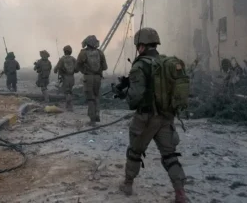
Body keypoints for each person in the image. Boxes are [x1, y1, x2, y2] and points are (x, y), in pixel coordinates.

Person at [114, 27, 187, 203]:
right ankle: (180, 193)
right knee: (170, 155)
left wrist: (125, 94)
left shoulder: (140, 66)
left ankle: (128, 184)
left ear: (141, 46)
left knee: (134, 151)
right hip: (166, 117)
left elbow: (136, 97)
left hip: (146, 118)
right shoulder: (166, 63)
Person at [76, 35, 108, 126]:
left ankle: (92, 119)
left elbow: (77, 66)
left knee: (90, 98)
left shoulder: (83, 53)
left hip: (88, 78)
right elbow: (105, 67)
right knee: (96, 96)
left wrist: (84, 70)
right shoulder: (100, 53)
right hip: (98, 77)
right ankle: (97, 113)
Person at [54, 45, 78, 111]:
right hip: (72, 78)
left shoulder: (62, 59)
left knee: (66, 92)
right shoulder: (73, 59)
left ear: (64, 51)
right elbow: (77, 68)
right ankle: (69, 105)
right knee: (70, 91)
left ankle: (69, 106)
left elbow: (55, 69)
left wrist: (57, 70)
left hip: (65, 77)